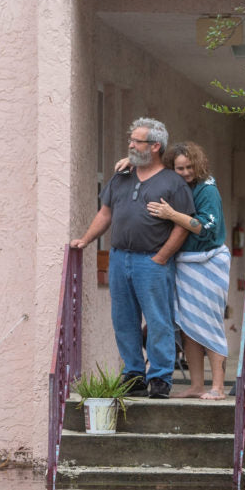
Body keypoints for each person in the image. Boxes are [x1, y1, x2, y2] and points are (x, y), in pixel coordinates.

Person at [71, 118, 195, 399]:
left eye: (136, 141)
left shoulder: (173, 182)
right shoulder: (121, 176)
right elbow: (105, 213)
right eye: (131, 140)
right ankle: (134, 373)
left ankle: (161, 377)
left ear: (154, 146)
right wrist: (86, 240)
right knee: (123, 319)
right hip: (119, 258)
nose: (130, 144)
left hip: (151, 261)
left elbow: (183, 225)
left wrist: (162, 256)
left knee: (158, 319)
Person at [138, 142, 231, 399]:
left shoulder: (207, 188)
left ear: (198, 165)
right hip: (185, 263)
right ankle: (197, 385)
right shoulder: (178, 186)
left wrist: (171, 214)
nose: (186, 172)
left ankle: (218, 387)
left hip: (208, 262)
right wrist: (128, 164)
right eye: (180, 168)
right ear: (171, 168)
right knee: (189, 327)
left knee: (210, 324)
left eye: (190, 167)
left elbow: (205, 228)